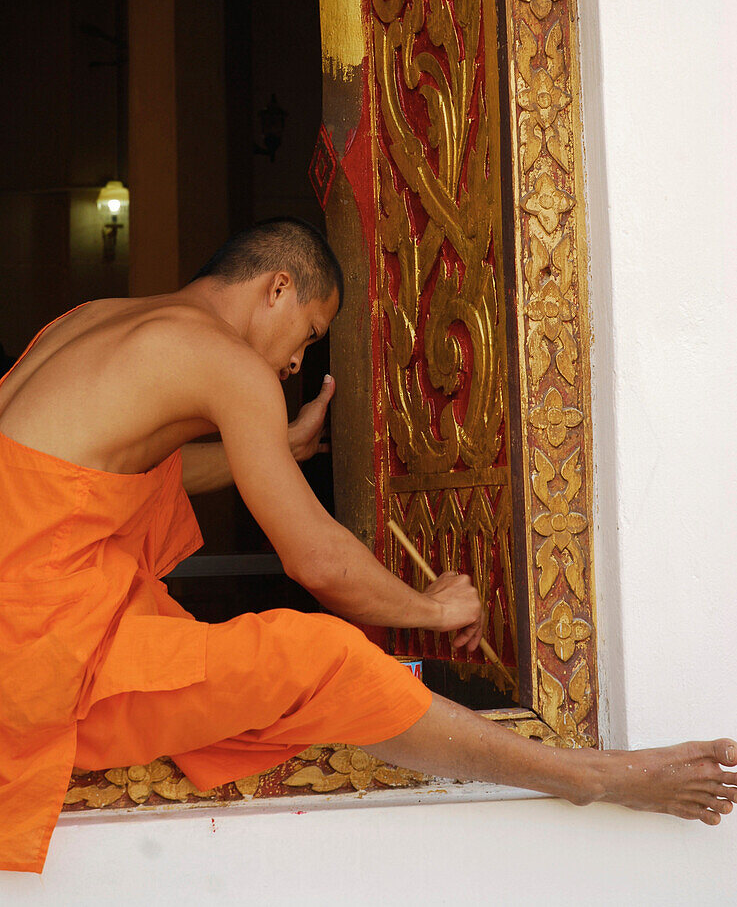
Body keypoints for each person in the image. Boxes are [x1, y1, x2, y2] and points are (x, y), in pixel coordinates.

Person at [0, 217, 734, 874]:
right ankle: (586, 776)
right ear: (278, 287)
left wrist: (277, 445)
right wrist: (432, 608)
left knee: (221, 665)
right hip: (30, 656)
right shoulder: (226, 361)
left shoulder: (93, 319)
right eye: (310, 335)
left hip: (25, 613)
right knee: (325, 661)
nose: (293, 364)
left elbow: (89, 473)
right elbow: (314, 559)